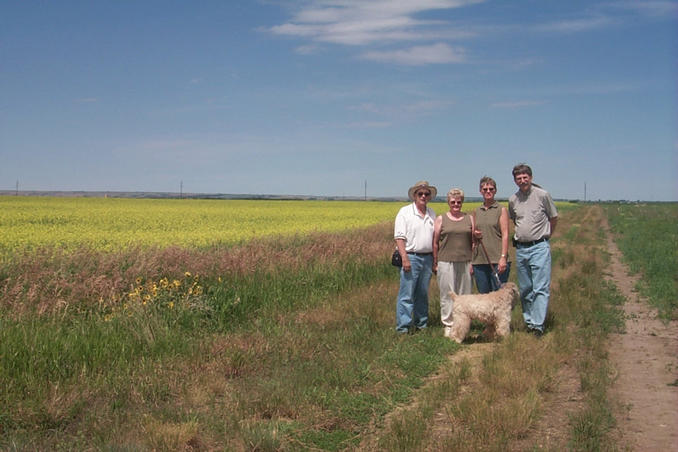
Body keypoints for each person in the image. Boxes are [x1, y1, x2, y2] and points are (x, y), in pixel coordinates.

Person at [508, 164, 558, 336]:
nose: (522, 181)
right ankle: (529, 321)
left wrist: (546, 236)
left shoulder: (543, 195)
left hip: (539, 247)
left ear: (531, 177)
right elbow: (516, 220)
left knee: (540, 288)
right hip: (521, 249)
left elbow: (553, 218)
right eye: (518, 178)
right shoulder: (513, 199)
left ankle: (538, 326)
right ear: (515, 180)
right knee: (526, 288)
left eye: (525, 177)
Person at [394, 181, 437, 334]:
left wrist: (435, 261)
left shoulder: (432, 213)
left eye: (426, 194)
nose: (423, 196)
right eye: (420, 193)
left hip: (427, 258)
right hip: (411, 257)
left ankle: (421, 324)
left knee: (423, 294)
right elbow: (399, 238)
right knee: (407, 294)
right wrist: (404, 258)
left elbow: (435, 239)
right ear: (414, 195)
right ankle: (403, 328)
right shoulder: (405, 212)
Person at [433, 188, 475, 339]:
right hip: (445, 261)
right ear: (448, 203)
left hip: (465, 261)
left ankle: (463, 326)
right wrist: (435, 261)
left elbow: (473, 242)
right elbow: (435, 242)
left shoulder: (469, 218)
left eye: (459, 202)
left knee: (465, 296)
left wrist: (472, 262)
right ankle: (448, 324)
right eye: (453, 202)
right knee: (447, 295)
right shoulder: (441, 219)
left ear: (462, 202)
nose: (456, 204)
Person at [472, 176, 510, 293]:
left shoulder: (501, 209)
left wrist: (503, 258)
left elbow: (505, 234)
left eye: (491, 189)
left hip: (497, 260)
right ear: (480, 191)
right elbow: (473, 238)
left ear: (495, 190)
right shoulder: (477, 211)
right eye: (485, 189)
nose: (488, 191)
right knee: (483, 298)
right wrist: (475, 234)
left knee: (498, 298)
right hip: (479, 261)